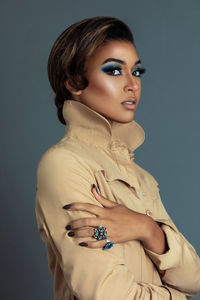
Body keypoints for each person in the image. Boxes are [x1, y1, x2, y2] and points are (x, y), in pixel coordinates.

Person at [35, 16, 200, 300]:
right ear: (74, 82)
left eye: (137, 72)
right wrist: (176, 296)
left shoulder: (141, 178)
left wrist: (147, 229)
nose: (132, 85)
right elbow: (107, 293)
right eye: (113, 71)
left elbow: (193, 278)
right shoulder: (64, 163)